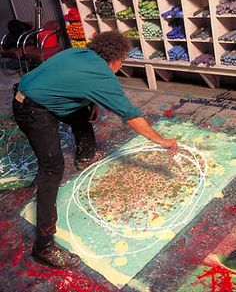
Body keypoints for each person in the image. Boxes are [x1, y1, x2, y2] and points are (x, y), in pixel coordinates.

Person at [13, 31, 178, 269]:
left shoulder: (79, 53)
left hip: (29, 91)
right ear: (116, 59)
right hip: (31, 109)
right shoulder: (103, 76)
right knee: (51, 168)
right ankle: (44, 247)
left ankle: (85, 155)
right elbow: (130, 114)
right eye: (122, 61)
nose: (121, 65)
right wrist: (161, 141)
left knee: (82, 113)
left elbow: (71, 81)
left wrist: (91, 102)